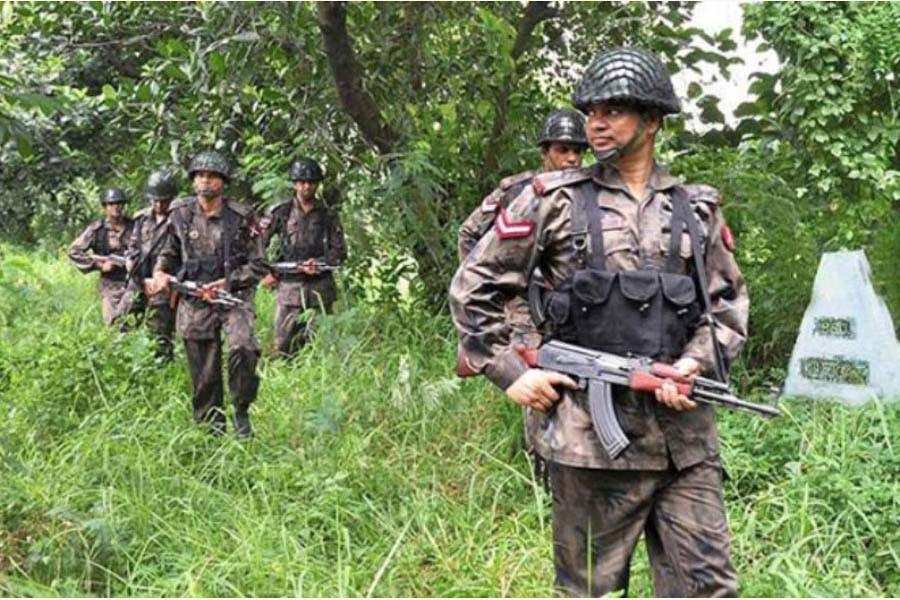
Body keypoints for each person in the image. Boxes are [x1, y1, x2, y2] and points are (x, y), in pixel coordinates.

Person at [449, 47, 749, 597]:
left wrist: (692, 364)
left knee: (709, 588)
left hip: (684, 445)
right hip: (589, 445)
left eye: (614, 110)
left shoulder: (696, 209)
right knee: (588, 590)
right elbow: (474, 287)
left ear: (653, 120)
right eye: (592, 112)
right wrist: (512, 371)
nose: (596, 124)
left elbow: (726, 308)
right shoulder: (552, 200)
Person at [456, 109, 588, 486]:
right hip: (522, 308)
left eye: (579, 150)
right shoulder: (517, 190)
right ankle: (542, 471)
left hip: (567, 305)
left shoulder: (587, 191)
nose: (573, 158)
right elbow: (470, 234)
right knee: (535, 382)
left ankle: (572, 464)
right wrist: (495, 285)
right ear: (545, 150)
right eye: (564, 149)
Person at [146, 150, 266, 437]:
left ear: (222, 182)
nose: (206, 181)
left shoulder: (241, 216)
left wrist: (228, 282)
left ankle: (241, 410)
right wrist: (161, 273)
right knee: (203, 369)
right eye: (200, 175)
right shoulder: (180, 214)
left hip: (233, 296)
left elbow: (259, 265)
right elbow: (168, 252)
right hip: (194, 297)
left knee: (243, 347)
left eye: (212, 176)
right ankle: (209, 429)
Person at [259, 158, 347, 358]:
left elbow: (340, 252)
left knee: (318, 347)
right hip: (289, 286)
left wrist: (319, 263)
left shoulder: (328, 215)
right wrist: (267, 273)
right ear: (294, 184)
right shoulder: (281, 213)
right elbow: (257, 246)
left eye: (311, 182)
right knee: (283, 345)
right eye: (301, 182)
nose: (306, 186)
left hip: (320, 289)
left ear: (317, 184)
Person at [117, 170, 180, 361]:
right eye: (155, 200)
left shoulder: (179, 219)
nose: (159, 205)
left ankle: (160, 368)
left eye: (164, 201)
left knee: (159, 331)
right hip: (138, 278)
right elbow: (133, 244)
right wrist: (130, 260)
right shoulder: (141, 219)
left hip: (163, 282)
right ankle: (123, 362)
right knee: (124, 322)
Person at [68, 187, 135, 325]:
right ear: (105, 207)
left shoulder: (135, 227)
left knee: (134, 324)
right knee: (112, 324)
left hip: (134, 283)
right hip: (110, 284)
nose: (116, 208)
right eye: (111, 204)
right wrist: (100, 266)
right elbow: (74, 251)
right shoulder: (97, 229)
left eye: (119, 204)